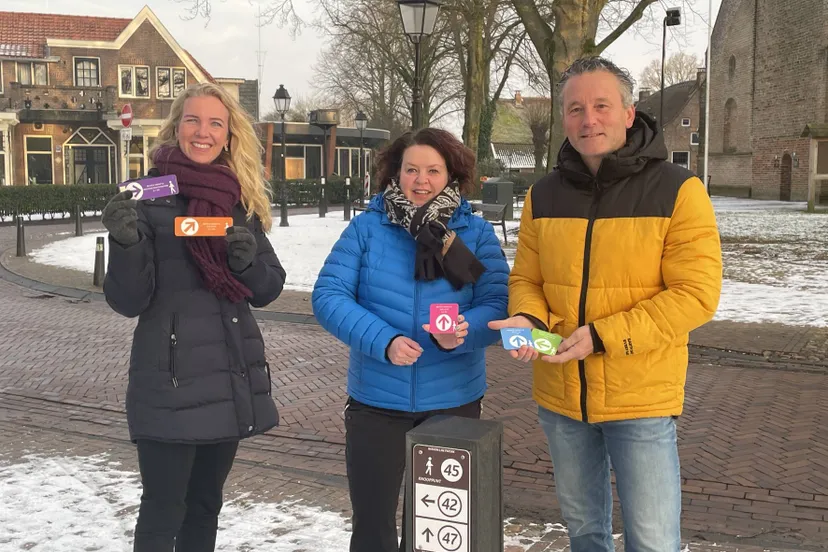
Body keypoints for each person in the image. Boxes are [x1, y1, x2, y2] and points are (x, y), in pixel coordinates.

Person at [489, 56, 723, 552]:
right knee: (585, 535)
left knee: (653, 541)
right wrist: (528, 318)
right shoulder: (543, 194)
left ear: (629, 112)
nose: (588, 119)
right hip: (560, 392)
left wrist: (601, 336)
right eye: (575, 109)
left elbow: (696, 295)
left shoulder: (680, 191)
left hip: (640, 395)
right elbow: (527, 277)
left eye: (601, 105)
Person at [101, 82, 286, 552]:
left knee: (206, 506)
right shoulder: (146, 196)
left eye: (215, 123)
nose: (202, 132)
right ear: (176, 127)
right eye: (193, 120)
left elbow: (268, 288)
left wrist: (246, 264)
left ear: (229, 135)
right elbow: (128, 301)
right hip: (171, 386)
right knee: (163, 511)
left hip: (229, 380)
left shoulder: (238, 200)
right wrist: (125, 245)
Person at [312, 128, 509, 552]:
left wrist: (465, 332)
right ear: (395, 174)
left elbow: (498, 302)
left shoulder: (474, 234)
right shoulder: (367, 229)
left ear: (451, 175)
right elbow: (328, 296)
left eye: (433, 171)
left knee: (438, 532)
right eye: (412, 169)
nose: (421, 180)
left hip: (453, 401)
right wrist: (383, 340)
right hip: (376, 404)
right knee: (372, 528)